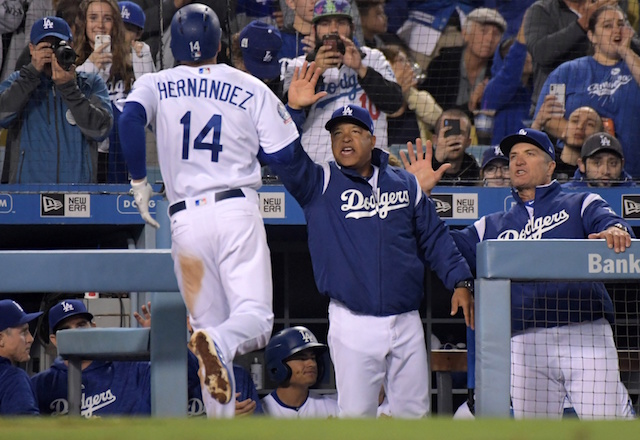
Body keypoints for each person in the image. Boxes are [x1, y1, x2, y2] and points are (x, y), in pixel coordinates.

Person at [118, 4, 299, 418]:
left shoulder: (156, 81)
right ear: (220, 43)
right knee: (253, 322)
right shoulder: (248, 84)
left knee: (208, 332)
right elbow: (286, 154)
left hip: (185, 222)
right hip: (235, 212)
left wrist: (138, 182)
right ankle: (217, 343)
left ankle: (219, 420)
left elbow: (129, 119)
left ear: (173, 46)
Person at [270, 61, 474, 418]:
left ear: (372, 138)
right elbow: (284, 159)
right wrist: (295, 111)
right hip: (353, 321)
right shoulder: (319, 184)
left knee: (413, 416)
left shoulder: (405, 183)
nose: (345, 138)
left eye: (354, 131)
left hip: (407, 319)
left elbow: (434, 237)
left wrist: (459, 279)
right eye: (337, 134)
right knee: (357, 416)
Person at [407, 127, 635, 419]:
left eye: (529, 154)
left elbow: (611, 222)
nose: (517, 161)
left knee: (606, 427)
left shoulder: (580, 203)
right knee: (532, 434)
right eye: (513, 156)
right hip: (525, 341)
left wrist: (615, 231)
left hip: (584, 333)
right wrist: (419, 199)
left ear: (551, 166)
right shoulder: (490, 225)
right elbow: (440, 248)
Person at [31, 299, 204, 417]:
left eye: (81, 325)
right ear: (54, 340)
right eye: (66, 329)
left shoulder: (133, 370)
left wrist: (164, 338)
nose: (75, 333)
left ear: (93, 327)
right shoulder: (42, 385)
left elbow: (188, 379)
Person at [283, 0, 403, 164]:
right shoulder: (298, 66)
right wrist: (316, 72)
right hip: (318, 168)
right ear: (314, 29)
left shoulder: (374, 58)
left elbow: (394, 103)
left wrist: (361, 69)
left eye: (340, 23)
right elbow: (285, 119)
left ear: (352, 28)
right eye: (325, 23)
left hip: (369, 165)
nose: (333, 29)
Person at [0, 16, 112, 184]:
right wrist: (30, 76)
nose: (51, 53)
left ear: (71, 47)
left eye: (58, 45)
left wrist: (69, 87)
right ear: (31, 49)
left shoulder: (90, 83)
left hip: (79, 195)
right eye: (45, 46)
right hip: (26, 194)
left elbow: (102, 130)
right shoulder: (18, 81)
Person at [533, 5, 640, 179]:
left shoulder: (635, 66)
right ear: (592, 36)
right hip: (581, 174)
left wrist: (626, 51)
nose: (616, 30)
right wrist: (580, 131)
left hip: (635, 173)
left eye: (621, 24)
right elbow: (547, 116)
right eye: (607, 26)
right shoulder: (567, 72)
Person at [74, 0, 155, 183]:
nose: (100, 25)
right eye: (93, 18)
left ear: (115, 24)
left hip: (124, 153)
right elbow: (68, 104)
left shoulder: (133, 58)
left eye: (107, 19)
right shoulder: (72, 58)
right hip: (86, 154)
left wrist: (143, 64)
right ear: (84, 22)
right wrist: (90, 67)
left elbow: (151, 105)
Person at [523, 0, 633, 109]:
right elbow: (542, 53)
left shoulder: (606, 7)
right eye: (607, 26)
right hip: (557, 107)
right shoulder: (541, 10)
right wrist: (582, 24)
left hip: (607, 104)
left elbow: (635, 47)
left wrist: (620, 35)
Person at [422, 7, 506, 116]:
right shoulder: (442, 64)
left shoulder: (499, 72)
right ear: (465, 34)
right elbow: (432, 111)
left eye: (496, 34)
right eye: (483, 31)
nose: (489, 39)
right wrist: (470, 105)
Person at [262, 326, 338, 418]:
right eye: (302, 358)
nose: (312, 364)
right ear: (277, 365)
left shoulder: (332, 410)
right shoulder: (261, 411)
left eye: (313, 358)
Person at [480, 20, 533, 146]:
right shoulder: (491, 90)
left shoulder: (539, 90)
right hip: (502, 158)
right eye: (511, 54)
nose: (524, 57)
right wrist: (520, 44)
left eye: (528, 51)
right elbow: (510, 75)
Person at [379, 44, 442, 147]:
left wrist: (406, 92)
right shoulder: (372, 100)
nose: (408, 65)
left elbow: (439, 120)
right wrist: (394, 92)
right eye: (400, 60)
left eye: (407, 61)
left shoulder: (418, 97)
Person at [535, 106, 603, 182]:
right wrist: (537, 124)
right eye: (575, 121)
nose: (580, 127)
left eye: (590, 124)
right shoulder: (546, 158)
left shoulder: (600, 171)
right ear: (564, 131)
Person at [0, 299, 42, 415]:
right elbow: (29, 430)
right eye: (23, 332)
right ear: (1, 339)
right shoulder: (12, 378)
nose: (30, 339)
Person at [564, 131, 635, 188]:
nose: (605, 171)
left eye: (613, 163)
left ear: (622, 165)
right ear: (582, 165)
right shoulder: (563, 196)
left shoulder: (635, 193)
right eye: (597, 163)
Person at [431, 109, 481, 186]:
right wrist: (436, 161)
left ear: (468, 141)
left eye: (460, 133)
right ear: (435, 140)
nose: (453, 138)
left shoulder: (472, 167)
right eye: (447, 133)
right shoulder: (421, 164)